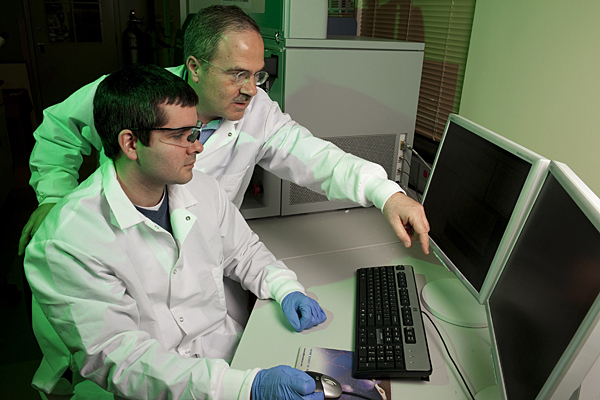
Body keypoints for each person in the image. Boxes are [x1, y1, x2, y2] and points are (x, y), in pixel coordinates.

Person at [19, 5, 430, 257]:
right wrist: (51, 196)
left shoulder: (257, 111)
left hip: (204, 262)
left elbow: (316, 157)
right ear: (194, 67)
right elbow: (59, 128)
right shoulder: (132, 94)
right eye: (237, 74)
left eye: (258, 75)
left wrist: (387, 193)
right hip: (121, 253)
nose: (251, 89)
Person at [24, 63, 327, 400]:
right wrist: (247, 388)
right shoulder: (69, 240)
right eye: (181, 136)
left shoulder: (202, 189)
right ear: (131, 143)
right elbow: (122, 361)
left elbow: (244, 252)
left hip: (224, 355)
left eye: (195, 132)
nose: (197, 147)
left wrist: (284, 287)